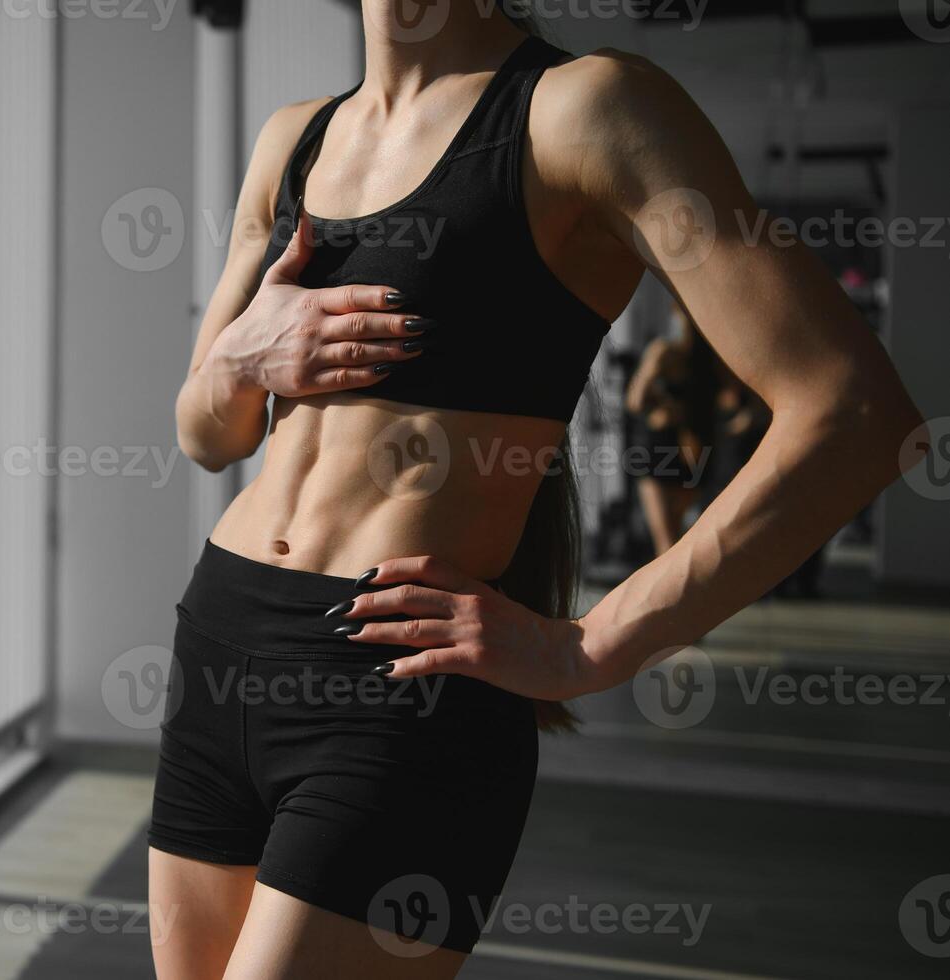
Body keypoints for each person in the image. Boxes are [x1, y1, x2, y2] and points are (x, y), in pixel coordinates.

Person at [149, 4, 924, 977]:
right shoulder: (292, 138)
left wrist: (587, 644)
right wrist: (244, 358)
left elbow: (854, 414)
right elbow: (206, 432)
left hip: (399, 684)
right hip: (220, 645)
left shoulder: (588, 109)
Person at [625, 302, 723, 556]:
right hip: (667, 445)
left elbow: (635, 399)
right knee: (669, 542)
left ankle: (679, 593)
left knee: (673, 541)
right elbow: (635, 400)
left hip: (687, 446)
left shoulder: (704, 357)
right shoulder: (669, 352)